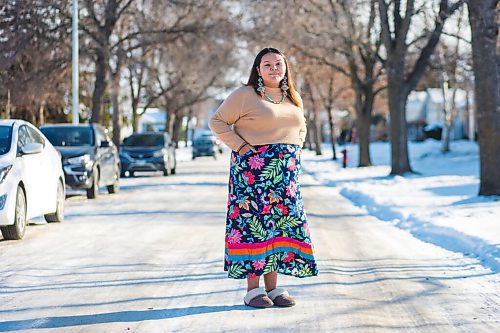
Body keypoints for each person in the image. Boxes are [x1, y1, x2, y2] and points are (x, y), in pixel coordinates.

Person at [209, 47, 318, 309]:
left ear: (285, 68)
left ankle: (274, 288)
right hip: (252, 174)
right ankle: (253, 290)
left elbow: (301, 128)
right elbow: (217, 121)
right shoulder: (245, 95)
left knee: (279, 226)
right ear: (258, 69)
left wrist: (294, 151)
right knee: (254, 227)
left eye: (278, 64)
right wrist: (242, 147)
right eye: (267, 65)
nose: (274, 69)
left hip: (285, 177)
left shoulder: (293, 97)